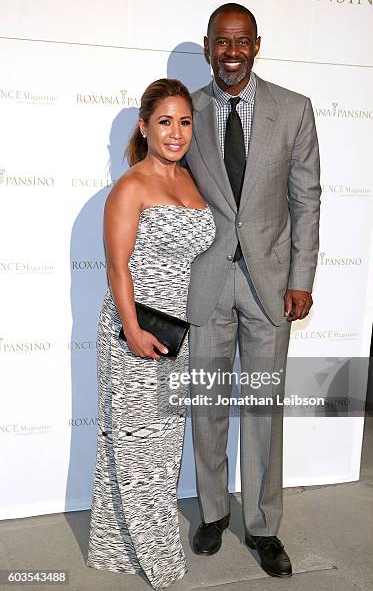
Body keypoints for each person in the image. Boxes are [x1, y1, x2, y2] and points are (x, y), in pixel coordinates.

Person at [184, 3, 321, 578]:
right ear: (208, 43)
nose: (231, 52)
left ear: (257, 45)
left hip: (270, 288)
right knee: (208, 406)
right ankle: (214, 513)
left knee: (264, 409)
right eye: (221, 42)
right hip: (207, 283)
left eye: (241, 42)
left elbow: (305, 200)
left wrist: (301, 279)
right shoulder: (182, 111)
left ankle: (264, 527)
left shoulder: (293, 110)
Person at [87, 78, 216, 590]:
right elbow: (118, 268)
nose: (176, 132)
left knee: (161, 447)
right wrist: (133, 330)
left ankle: (115, 546)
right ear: (144, 126)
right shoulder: (131, 186)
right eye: (165, 121)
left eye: (185, 122)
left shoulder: (190, 181)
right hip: (133, 333)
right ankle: (161, 561)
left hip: (174, 332)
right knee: (140, 450)